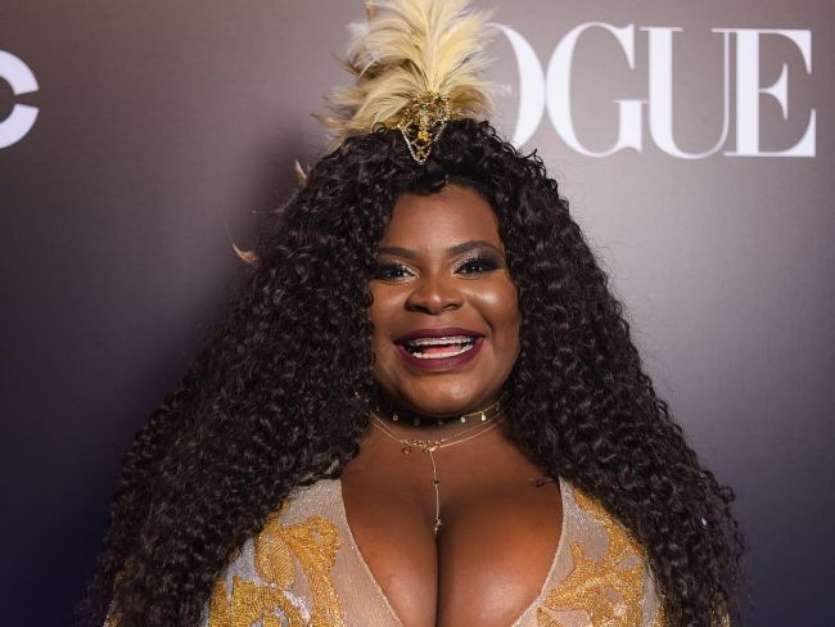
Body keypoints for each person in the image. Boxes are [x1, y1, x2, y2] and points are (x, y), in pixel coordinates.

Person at [83, 0, 745, 625]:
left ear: (534, 288)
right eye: (392, 269)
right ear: (337, 296)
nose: (435, 295)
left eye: (474, 265)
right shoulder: (227, 501)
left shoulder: (635, 505)